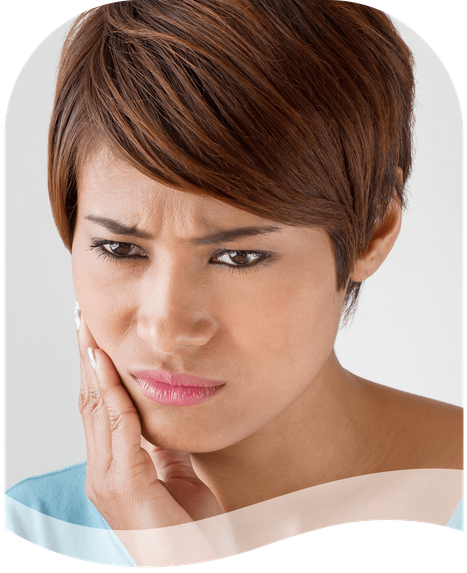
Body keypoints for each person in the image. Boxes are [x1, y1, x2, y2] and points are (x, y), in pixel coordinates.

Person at [4, 0, 464, 566]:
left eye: (238, 256)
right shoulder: (32, 526)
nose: (166, 328)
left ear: (373, 229)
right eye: (120, 249)